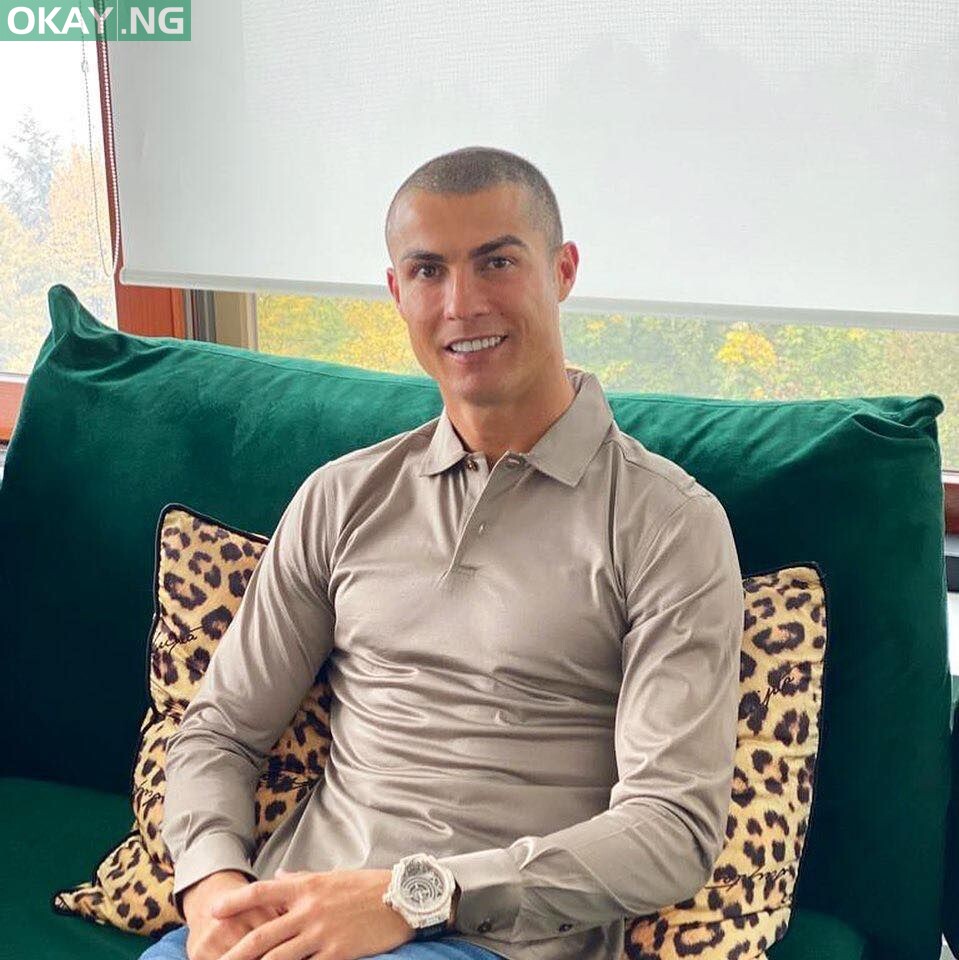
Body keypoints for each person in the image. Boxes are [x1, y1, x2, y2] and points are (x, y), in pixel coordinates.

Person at [144, 146, 745, 960]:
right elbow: (218, 731)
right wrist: (213, 888)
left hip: (485, 941)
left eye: (496, 262)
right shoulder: (340, 497)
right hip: (282, 920)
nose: (461, 304)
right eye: (428, 271)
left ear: (562, 270)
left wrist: (412, 898)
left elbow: (671, 828)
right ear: (397, 292)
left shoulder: (668, 523)